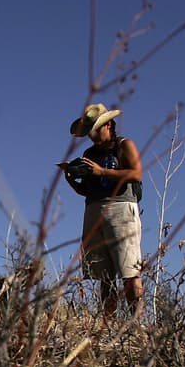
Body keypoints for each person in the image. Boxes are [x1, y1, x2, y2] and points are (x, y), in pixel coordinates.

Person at [61, 103, 144, 319]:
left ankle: (136, 323)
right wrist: (71, 179)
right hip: (94, 210)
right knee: (104, 276)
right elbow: (86, 190)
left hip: (121, 208)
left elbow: (136, 174)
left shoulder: (124, 145)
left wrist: (102, 171)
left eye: (95, 129)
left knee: (129, 271)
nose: (91, 135)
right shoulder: (89, 153)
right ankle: (109, 324)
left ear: (108, 125)